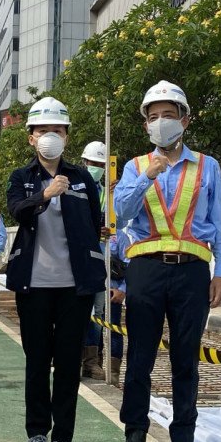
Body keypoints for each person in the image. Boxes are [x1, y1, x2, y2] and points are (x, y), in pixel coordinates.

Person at [115, 80, 221, 442]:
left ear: (185, 119)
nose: (161, 122)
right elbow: (123, 212)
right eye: (154, 117)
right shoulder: (135, 166)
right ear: (146, 125)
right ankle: (135, 435)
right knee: (140, 357)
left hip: (192, 273)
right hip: (146, 270)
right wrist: (149, 174)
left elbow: (220, 224)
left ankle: (183, 439)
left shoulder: (208, 165)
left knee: (187, 360)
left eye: (169, 115)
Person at [5, 97, 105, 442]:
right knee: (37, 362)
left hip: (74, 288)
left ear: (67, 136)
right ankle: (35, 436)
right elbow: (15, 208)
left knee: (67, 363)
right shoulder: (22, 177)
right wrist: (44, 195)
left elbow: (94, 223)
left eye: (58, 130)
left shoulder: (80, 178)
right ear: (31, 138)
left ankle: (63, 439)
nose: (51, 136)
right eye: (44, 131)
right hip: (33, 285)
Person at [79, 141, 125, 383]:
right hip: (79, 260)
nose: (96, 168)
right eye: (93, 163)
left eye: (101, 165)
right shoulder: (75, 186)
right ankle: (76, 358)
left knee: (99, 313)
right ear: (84, 162)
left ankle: (93, 362)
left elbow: (121, 224)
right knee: (77, 312)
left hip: (103, 261)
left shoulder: (107, 192)